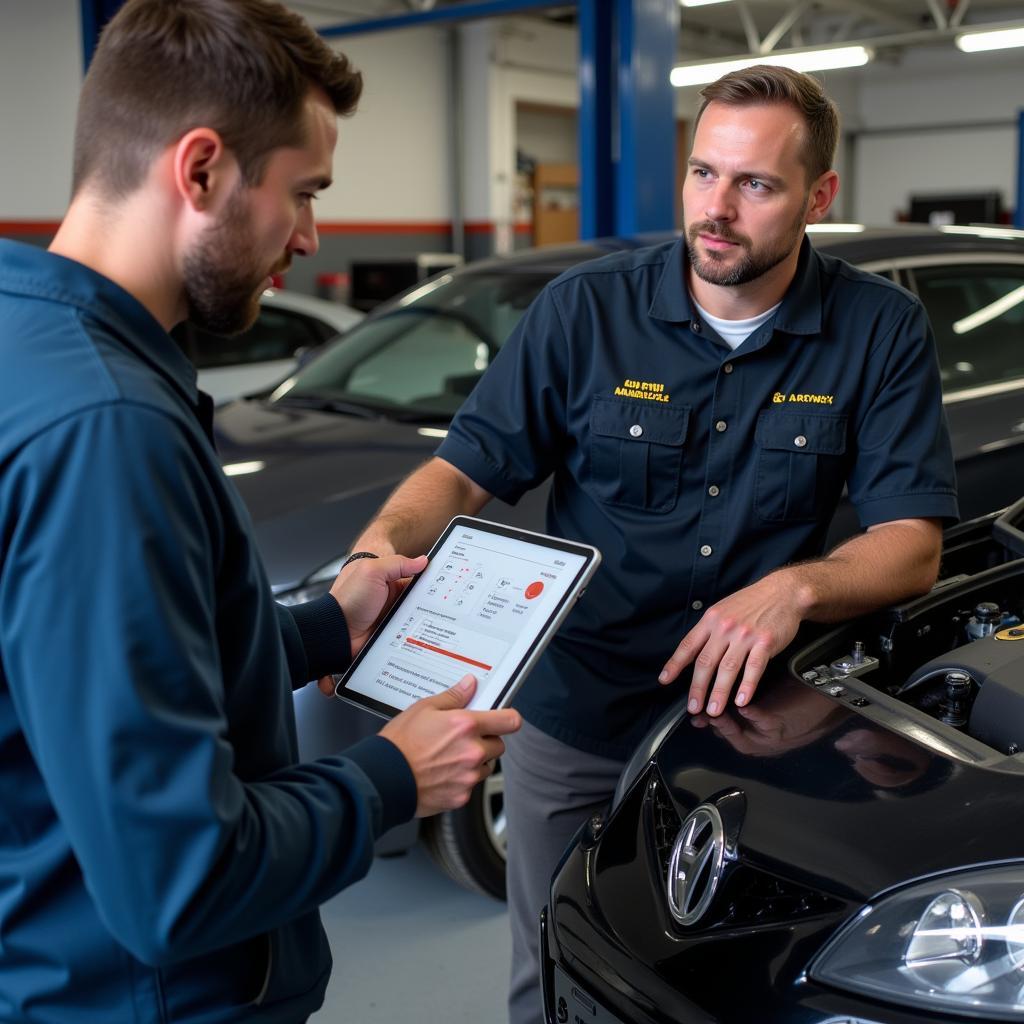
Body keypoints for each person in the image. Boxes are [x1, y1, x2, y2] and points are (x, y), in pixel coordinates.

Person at [350, 65, 958, 1023]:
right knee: (552, 969)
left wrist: (794, 590)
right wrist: (374, 549)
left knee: (716, 984)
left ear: (818, 194)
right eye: (703, 173)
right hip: (576, 716)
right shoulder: (585, 312)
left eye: (754, 184)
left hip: (756, 731)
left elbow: (910, 544)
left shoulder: (878, 331)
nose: (717, 209)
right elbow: (463, 470)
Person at [0, 2, 521, 1021]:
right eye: (303, 192)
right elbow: (177, 879)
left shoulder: (32, 343)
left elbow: (106, 658)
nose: (313, 234)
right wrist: (389, 775)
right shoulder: (108, 428)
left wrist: (333, 622)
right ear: (200, 170)